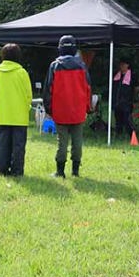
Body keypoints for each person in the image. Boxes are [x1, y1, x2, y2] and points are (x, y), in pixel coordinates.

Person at [43, 35, 92, 178]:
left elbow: (48, 89)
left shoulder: (54, 66)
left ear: (60, 48)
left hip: (60, 110)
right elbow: (88, 88)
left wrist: (48, 109)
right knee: (77, 142)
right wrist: (88, 108)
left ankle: (60, 172)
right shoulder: (82, 66)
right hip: (78, 111)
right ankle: (75, 171)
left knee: (62, 142)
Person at [0, 43, 32, 176]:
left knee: (3, 144)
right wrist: (26, 107)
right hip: (20, 116)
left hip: (3, 114)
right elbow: (28, 94)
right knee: (18, 145)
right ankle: (17, 171)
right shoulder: (22, 72)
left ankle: (2, 170)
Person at [113, 58, 139, 137]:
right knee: (118, 118)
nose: (121, 66)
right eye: (120, 64)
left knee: (127, 118)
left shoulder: (133, 75)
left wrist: (135, 98)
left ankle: (132, 134)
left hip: (127, 101)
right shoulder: (116, 75)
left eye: (123, 64)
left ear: (127, 65)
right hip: (117, 100)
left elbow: (137, 88)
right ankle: (118, 133)